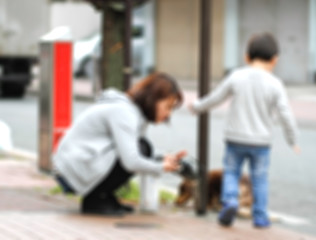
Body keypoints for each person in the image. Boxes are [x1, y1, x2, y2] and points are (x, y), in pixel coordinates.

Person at [189, 33, 300, 228]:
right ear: (275, 60)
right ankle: (260, 217)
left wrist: (197, 106)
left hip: (235, 139)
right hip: (261, 143)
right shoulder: (275, 84)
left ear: (246, 57)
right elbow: (286, 115)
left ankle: (230, 201)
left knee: (231, 172)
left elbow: (216, 98)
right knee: (260, 179)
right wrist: (293, 140)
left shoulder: (237, 76)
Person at [52, 73, 187, 216]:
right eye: (167, 106)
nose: (169, 114)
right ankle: (95, 200)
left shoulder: (132, 112)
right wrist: (160, 167)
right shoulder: (124, 113)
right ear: (153, 99)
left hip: (79, 164)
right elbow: (131, 161)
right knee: (142, 148)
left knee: (143, 147)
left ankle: (104, 196)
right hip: (73, 170)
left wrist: (164, 158)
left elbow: (131, 149)